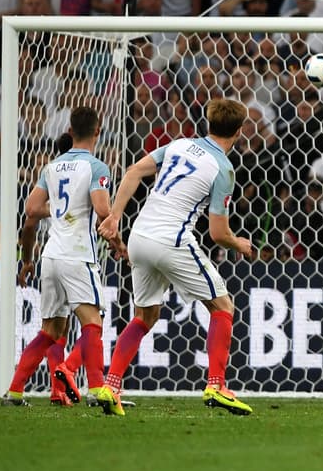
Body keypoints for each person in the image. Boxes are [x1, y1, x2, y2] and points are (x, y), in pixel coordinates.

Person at [96, 99, 256, 417]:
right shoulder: (223, 169)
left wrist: (114, 216)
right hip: (172, 239)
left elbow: (133, 172)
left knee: (145, 315)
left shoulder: (179, 145)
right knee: (222, 307)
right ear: (239, 132)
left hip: (140, 236)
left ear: (208, 124)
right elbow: (217, 233)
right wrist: (240, 243)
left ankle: (110, 386)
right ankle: (216, 385)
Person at [4, 108, 118, 407]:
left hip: (50, 256)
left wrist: (28, 257)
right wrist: (118, 238)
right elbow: (103, 210)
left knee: (50, 330)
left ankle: (15, 391)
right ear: (98, 129)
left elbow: (30, 210)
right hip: (78, 255)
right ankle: (97, 389)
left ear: (70, 130)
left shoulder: (51, 167)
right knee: (93, 323)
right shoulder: (97, 167)